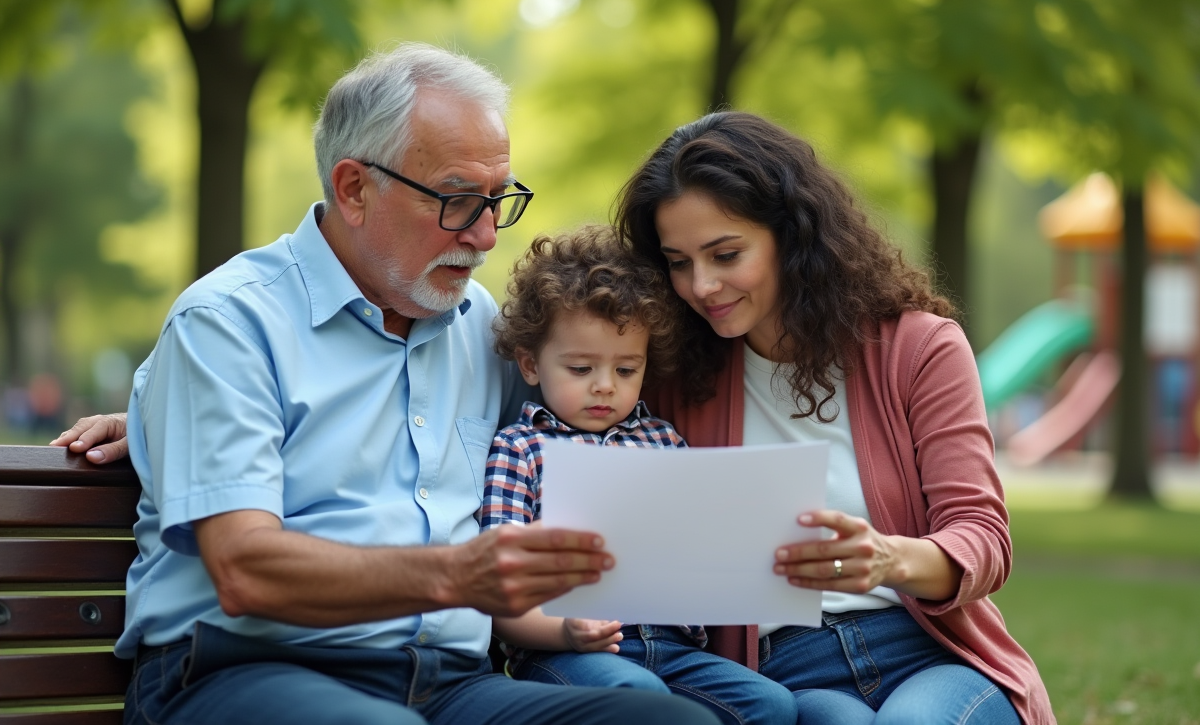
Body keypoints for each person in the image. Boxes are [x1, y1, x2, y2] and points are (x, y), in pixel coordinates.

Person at [53, 45, 719, 725]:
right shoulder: (227, 325)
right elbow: (243, 569)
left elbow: (592, 422)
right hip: (242, 672)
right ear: (354, 189)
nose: (488, 235)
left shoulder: (479, 324)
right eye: (461, 200)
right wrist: (457, 575)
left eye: (499, 200)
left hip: (451, 685)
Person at [614, 111, 1055, 724]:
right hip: (780, 672)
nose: (702, 285)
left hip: (926, 652)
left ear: (791, 235)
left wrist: (889, 559)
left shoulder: (918, 349)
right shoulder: (667, 376)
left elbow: (983, 536)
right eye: (678, 262)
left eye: (725, 253)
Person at [479, 225, 797, 724]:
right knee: (637, 694)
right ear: (530, 364)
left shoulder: (663, 441)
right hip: (568, 650)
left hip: (673, 647)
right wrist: (563, 632)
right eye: (581, 369)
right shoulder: (521, 450)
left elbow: (706, 551)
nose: (605, 387)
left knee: (771, 706)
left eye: (626, 370)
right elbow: (499, 589)